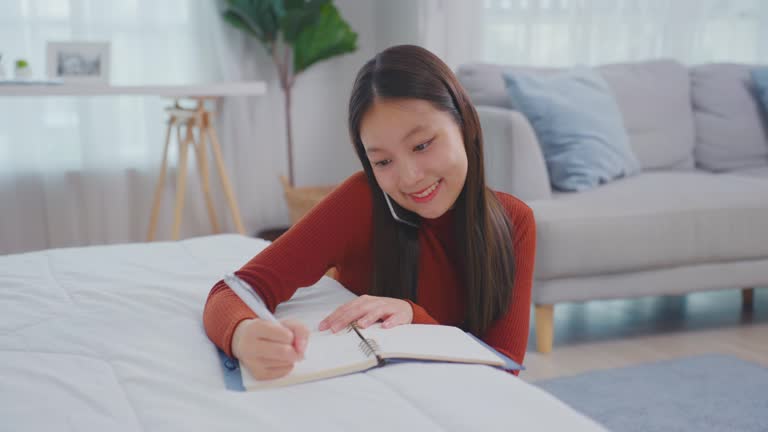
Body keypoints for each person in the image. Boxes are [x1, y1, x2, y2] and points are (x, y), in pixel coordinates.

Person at [203, 44, 536, 381]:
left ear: (465, 125)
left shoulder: (513, 222)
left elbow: (504, 370)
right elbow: (231, 292)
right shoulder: (361, 200)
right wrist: (244, 336)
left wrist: (413, 318)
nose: (409, 178)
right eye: (383, 161)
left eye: (422, 145)